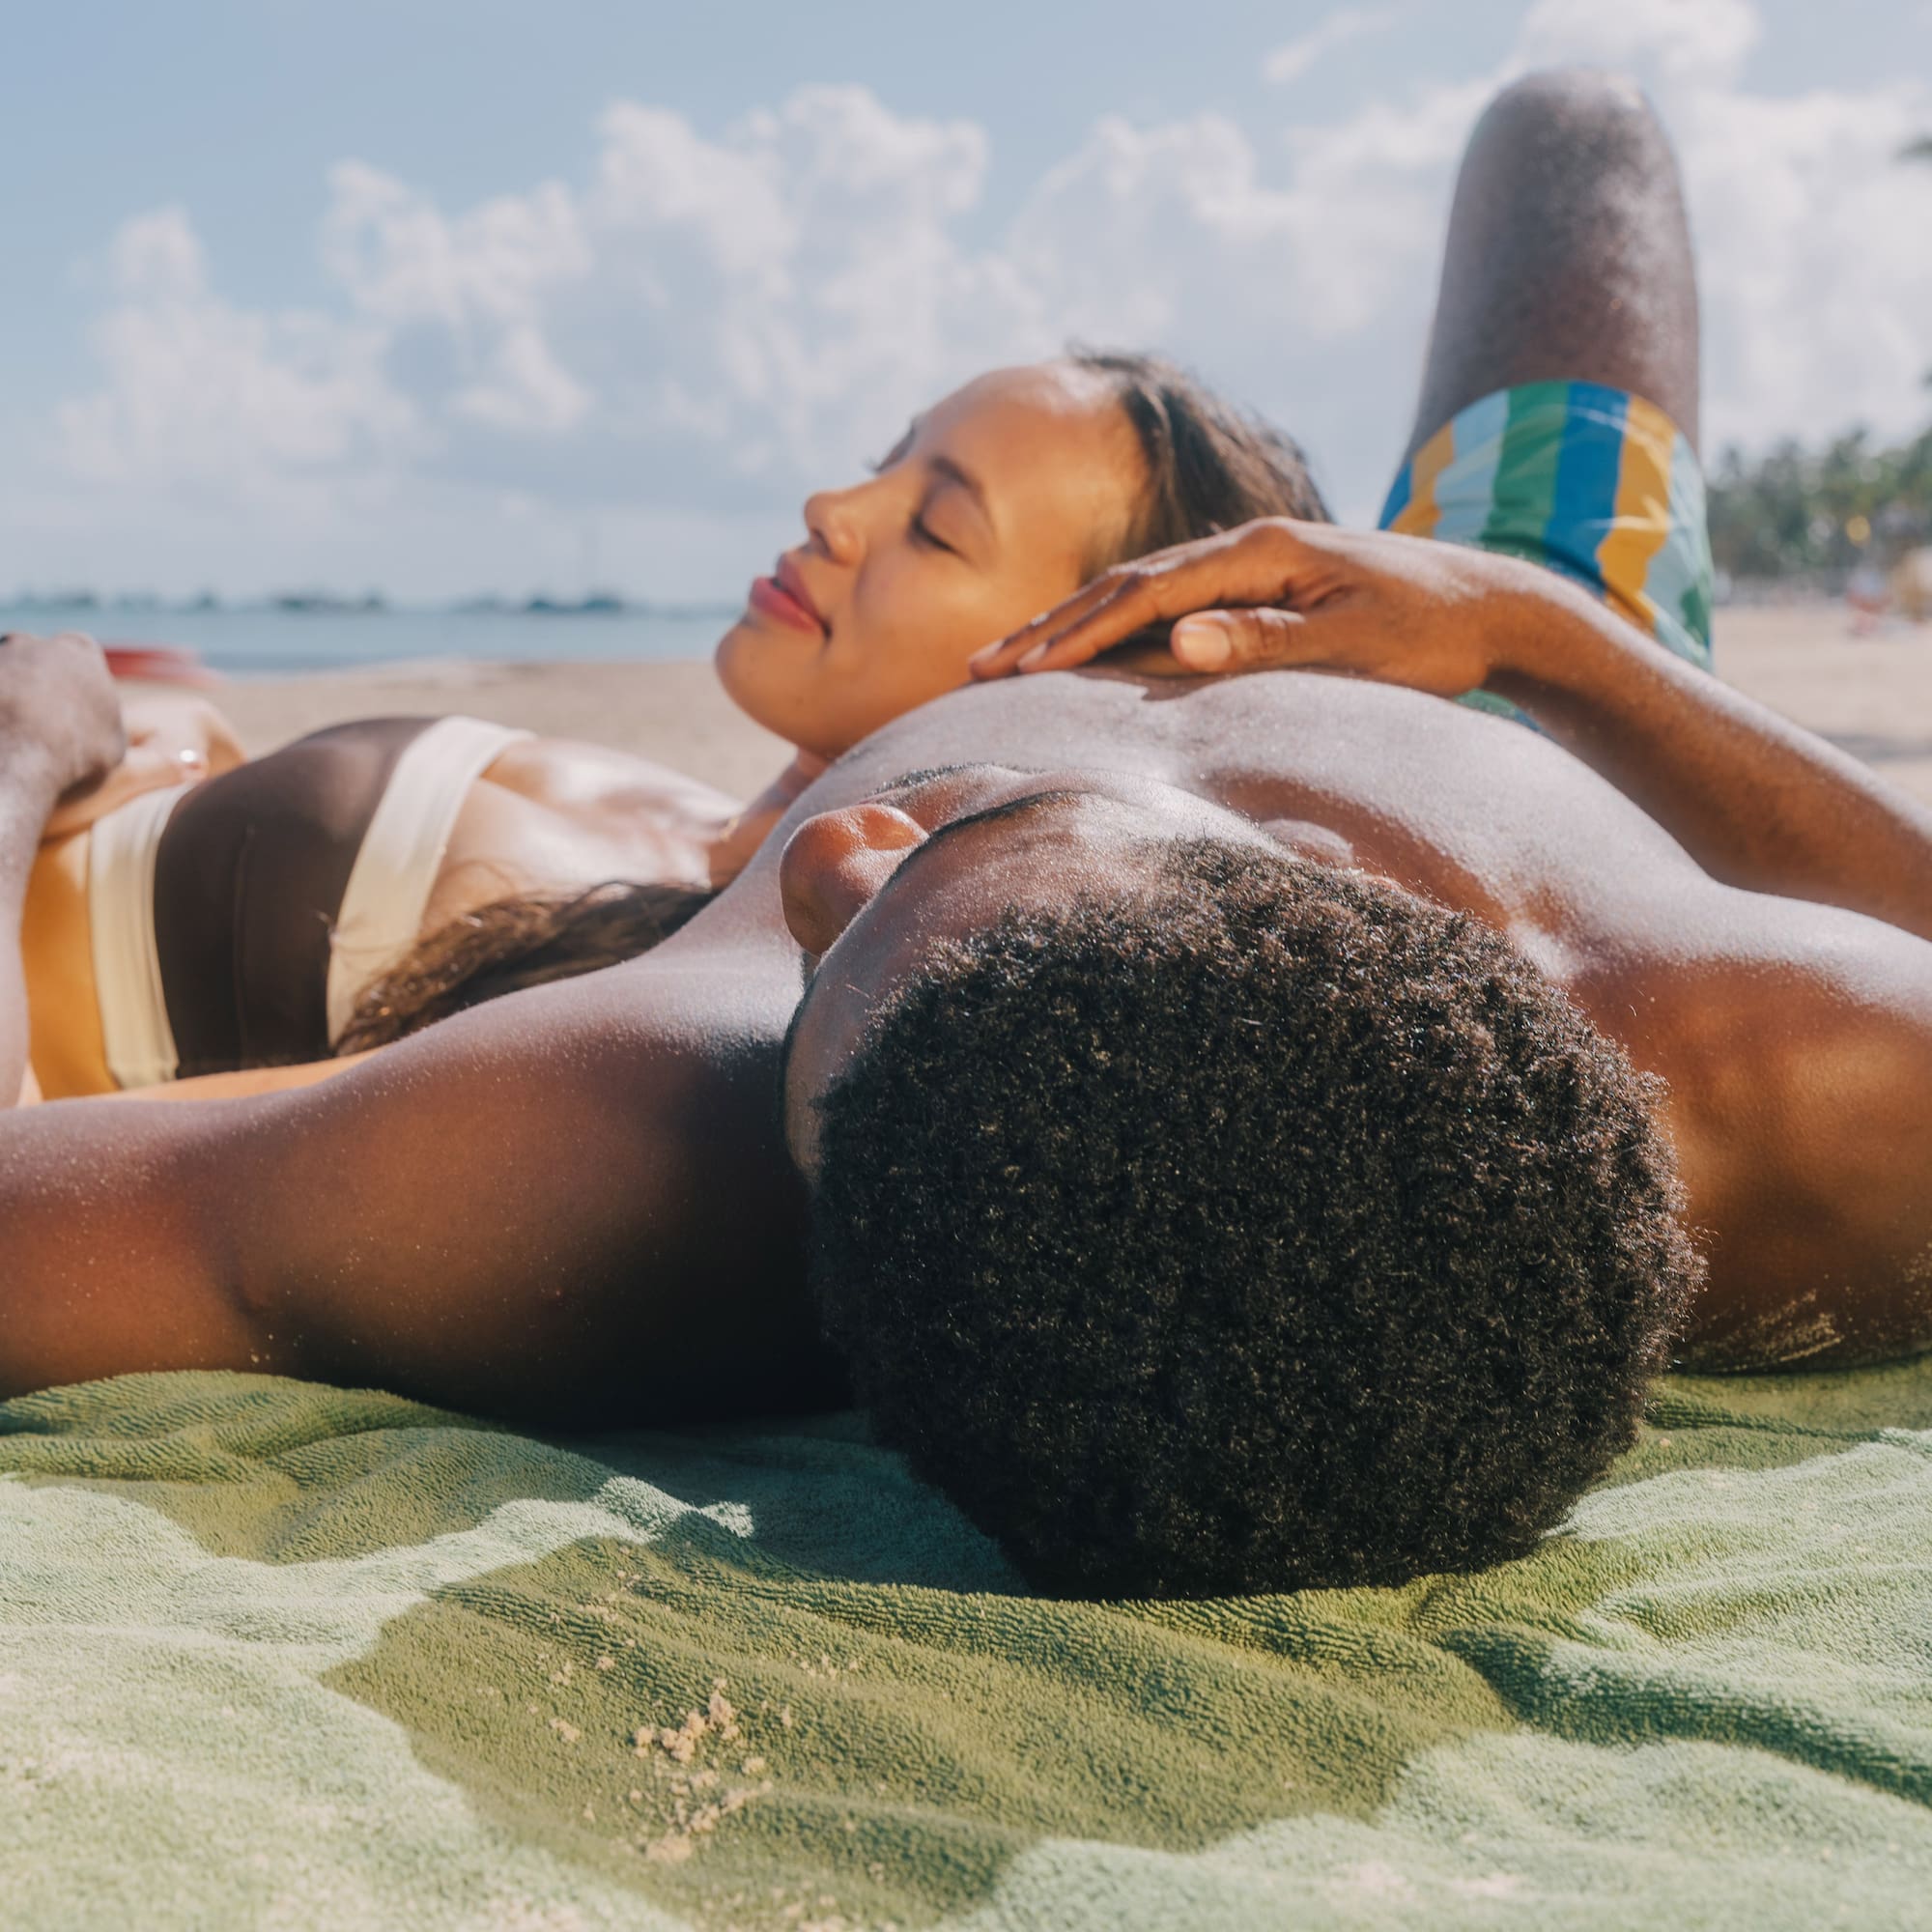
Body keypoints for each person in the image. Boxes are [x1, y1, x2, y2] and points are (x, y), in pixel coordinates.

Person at [3, 71, 1927, 1603]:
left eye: (814, 969)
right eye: (974, 824)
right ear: (1326, 871)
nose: (828, 857)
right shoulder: (1784, 1061)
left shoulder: (629, 1136)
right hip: (1527, 689)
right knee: (1569, 126)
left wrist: (19, 757)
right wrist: (1539, 635)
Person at [22, 352, 1327, 1101]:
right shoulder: (671, 816)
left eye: (935, 525)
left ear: (1080, 680)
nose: (833, 503)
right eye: (885, 455)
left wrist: (28, 752)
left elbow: (50, 1185)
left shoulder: (690, 1002)